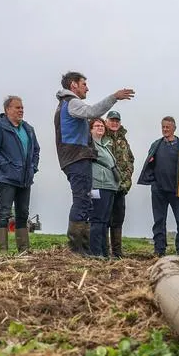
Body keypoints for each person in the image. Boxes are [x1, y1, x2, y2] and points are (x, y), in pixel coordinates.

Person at [54, 71, 134, 254]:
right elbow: (92, 112)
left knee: (85, 202)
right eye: (84, 84)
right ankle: (77, 250)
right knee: (82, 201)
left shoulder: (65, 104)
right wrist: (114, 97)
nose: (87, 88)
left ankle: (85, 249)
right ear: (73, 85)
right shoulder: (71, 102)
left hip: (74, 157)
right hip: (76, 157)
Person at [0, 95, 40, 254]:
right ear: (7, 109)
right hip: (7, 178)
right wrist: (7, 167)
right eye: (17, 107)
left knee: (23, 213)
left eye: (22, 107)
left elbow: (36, 150)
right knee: (4, 213)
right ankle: (3, 252)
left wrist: (33, 168)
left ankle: (24, 250)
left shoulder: (28, 129)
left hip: (25, 179)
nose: (21, 110)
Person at [137, 116, 179, 256]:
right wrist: (152, 181)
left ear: (174, 128)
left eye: (168, 127)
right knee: (159, 221)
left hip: (178, 191)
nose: (165, 129)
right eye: (163, 127)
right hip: (158, 190)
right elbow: (149, 165)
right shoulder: (156, 145)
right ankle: (159, 250)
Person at [87, 118, 119, 257]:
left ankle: (104, 252)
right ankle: (95, 252)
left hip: (109, 186)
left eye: (101, 125)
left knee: (105, 221)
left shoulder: (105, 145)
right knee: (97, 219)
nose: (100, 127)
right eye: (96, 125)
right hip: (98, 185)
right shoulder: (90, 145)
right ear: (90, 129)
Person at [104, 111, 134, 259]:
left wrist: (127, 178)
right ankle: (103, 250)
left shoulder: (123, 140)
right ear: (107, 121)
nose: (114, 123)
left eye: (117, 121)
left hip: (121, 187)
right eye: (112, 120)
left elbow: (130, 160)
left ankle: (117, 252)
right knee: (104, 218)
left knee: (118, 219)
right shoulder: (102, 136)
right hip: (105, 186)